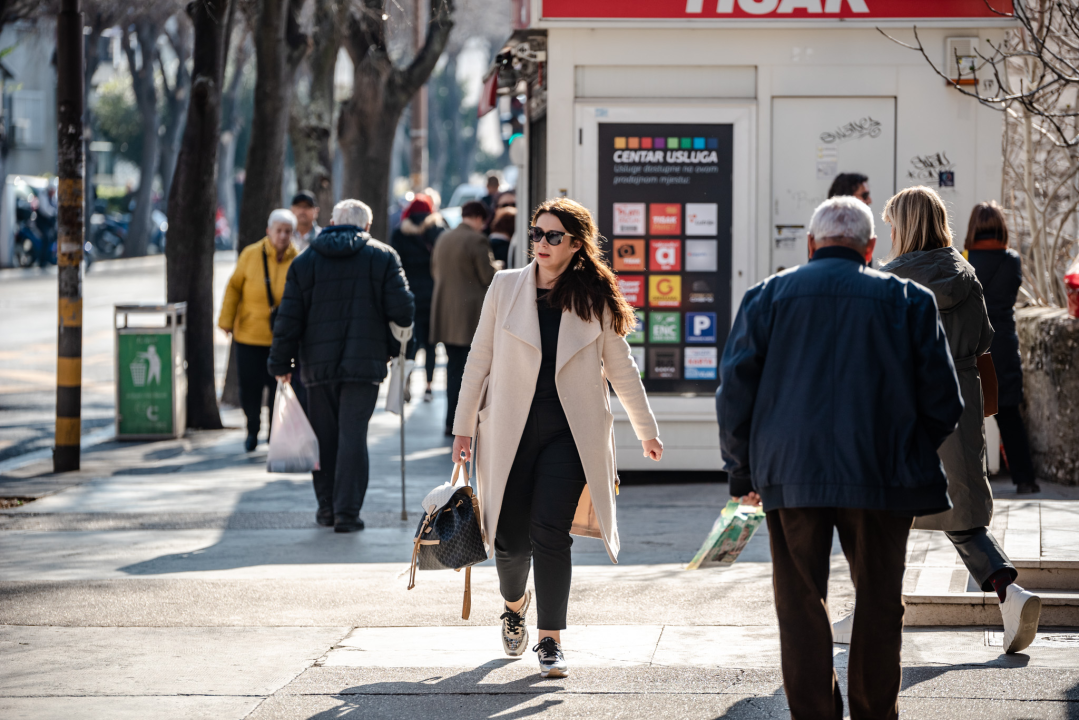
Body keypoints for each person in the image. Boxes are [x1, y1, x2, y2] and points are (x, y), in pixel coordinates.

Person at [717, 195, 963, 720]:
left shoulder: (767, 296)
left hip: (792, 475)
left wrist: (743, 472)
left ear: (810, 244)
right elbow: (945, 401)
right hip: (884, 475)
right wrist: (906, 445)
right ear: (871, 248)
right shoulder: (909, 300)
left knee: (800, 605)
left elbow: (734, 391)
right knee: (879, 604)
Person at [451, 197, 663, 679]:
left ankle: (550, 640)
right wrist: (463, 426)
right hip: (510, 429)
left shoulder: (593, 297)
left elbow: (621, 368)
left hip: (570, 433)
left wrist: (646, 429)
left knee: (550, 532)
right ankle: (514, 604)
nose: (541, 244)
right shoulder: (505, 287)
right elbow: (478, 360)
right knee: (506, 538)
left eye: (553, 236)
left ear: (575, 244)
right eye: (536, 234)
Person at [872, 187, 1041, 654]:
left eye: (892, 224)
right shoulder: (965, 273)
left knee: (884, 512)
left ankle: (874, 611)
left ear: (904, 227)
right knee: (962, 515)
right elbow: (984, 338)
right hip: (960, 400)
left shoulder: (890, 282)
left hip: (908, 406)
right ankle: (1011, 594)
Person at [268, 200, 414, 532]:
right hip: (365, 364)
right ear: (366, 227)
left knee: (324, 437)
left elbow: (288, 319)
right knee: (353, 436)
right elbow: (404, 311)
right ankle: (347, 513)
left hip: (316, 367)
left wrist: (281, 362)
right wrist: (396, 350)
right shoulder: (383, 257)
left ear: (332, 222)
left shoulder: (304, 262)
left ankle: (325, 508)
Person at [964, 201, 1040, 494]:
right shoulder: (1012, 260)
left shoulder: (964, 258)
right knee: (1009, 414)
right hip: (1004, 346)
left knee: (968, 414)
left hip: (973, 346)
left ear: (973, 228)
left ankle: (970, 479)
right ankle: (1025, 480)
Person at [219, 209, 299, 453]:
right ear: (269, 231)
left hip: (281, 339)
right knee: (250, 387)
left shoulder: (299, 259)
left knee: (278, 389)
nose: (283, 236)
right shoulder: (250, 254)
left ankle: (274, 434)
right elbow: (234, 287)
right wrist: (226, 320)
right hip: (249, 336)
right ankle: (252, 428)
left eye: (288, 232)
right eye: (279, 231)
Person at [430, 201, 499, 436]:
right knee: (472, 374)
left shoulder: (443, 238)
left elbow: (434, 271)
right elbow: (488, 276)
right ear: (480, 218)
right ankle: (466, 424)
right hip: (470, 317)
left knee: (453, 371)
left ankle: (451, 421)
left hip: (446, 314)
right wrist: (500, 267)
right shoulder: (477, 240)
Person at [390, 193, 446, 402]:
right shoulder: (437, 232)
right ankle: (429, 387)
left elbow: (395, 266)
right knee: (431, 343)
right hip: (433, 295)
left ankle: (407, 382)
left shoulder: (399, 234)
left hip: (409, 296)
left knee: (409, 342)